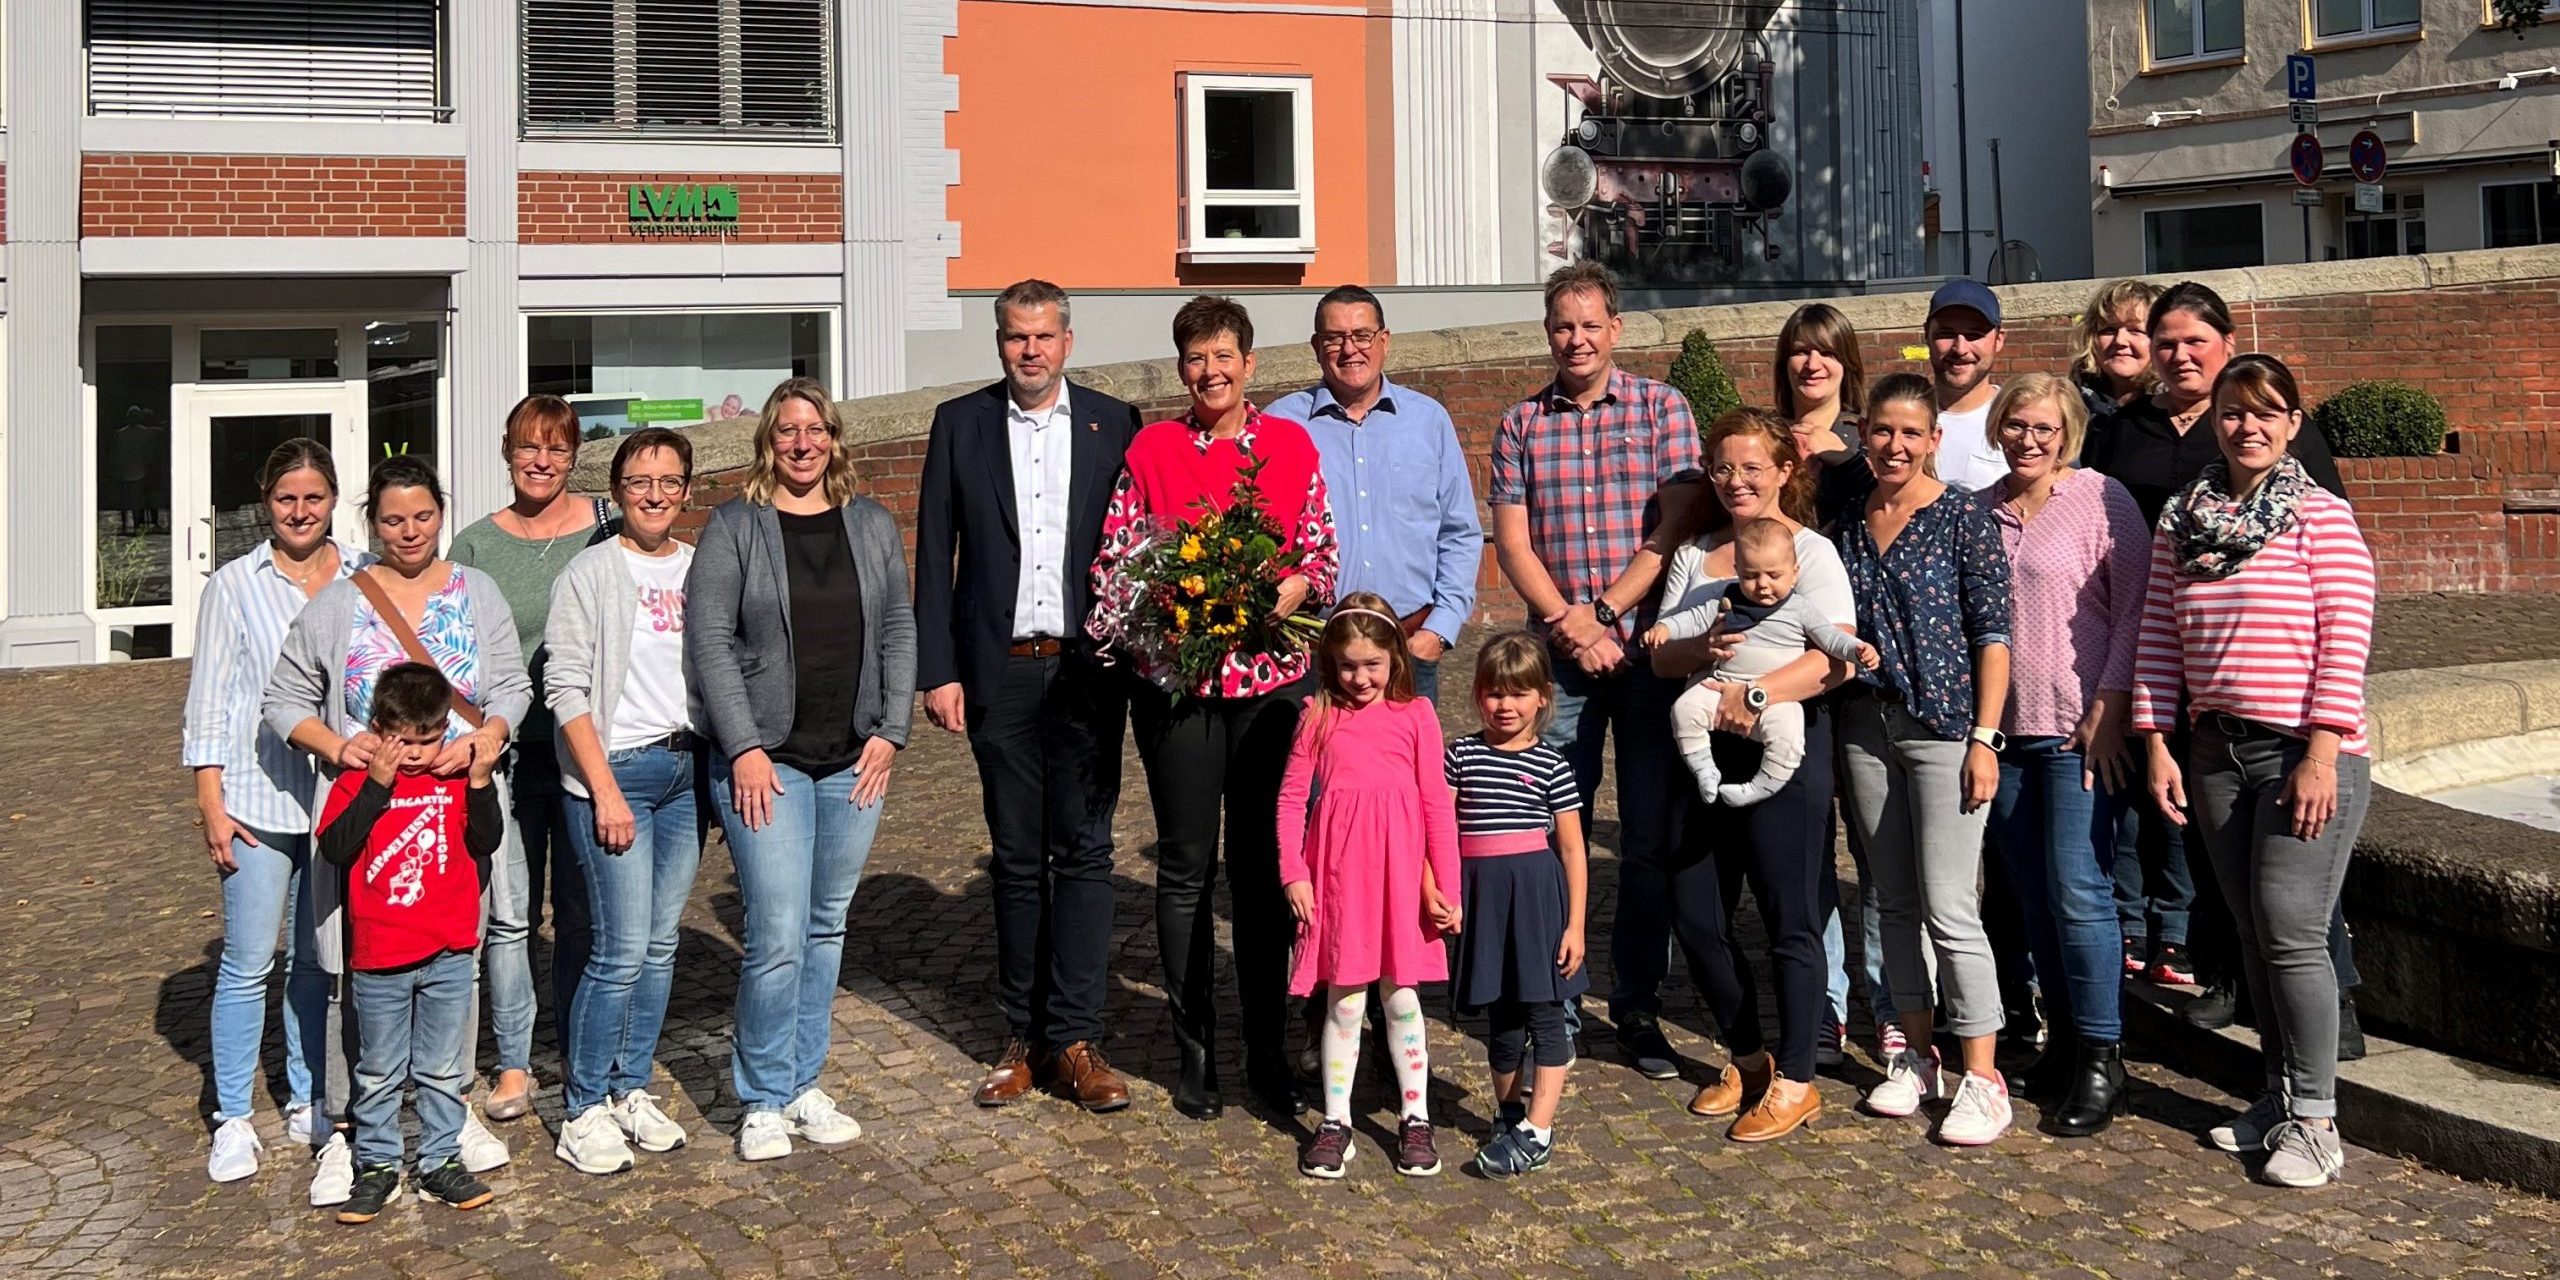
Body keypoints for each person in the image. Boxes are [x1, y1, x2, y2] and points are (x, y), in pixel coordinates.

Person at [2081, 281, 2360, 1044]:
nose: (2176, 354)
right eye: (2164, 341)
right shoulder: (2124, 427)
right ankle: (2220, 972)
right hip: (2168, 648)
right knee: (2193, 831)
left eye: (2193, 341)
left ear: (2226, 344)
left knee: (2289, 860)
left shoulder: (2263, 423)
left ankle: (2331, 1004)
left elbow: (2337, 567)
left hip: (2272, 671)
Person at [1086, 294, 1341, 1121]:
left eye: (1224, 354)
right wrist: (1153, 622)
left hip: (1270, 689)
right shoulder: (1153, 449)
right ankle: (1194, 1048)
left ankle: (1264, 1047)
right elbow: (1117, 564)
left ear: (1251, 362)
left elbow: (1321, 551)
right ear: (1182, 368)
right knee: (1187, 870)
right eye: (1196, 358)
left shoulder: (1292, 447)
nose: (1211, 370)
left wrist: (1300, 581)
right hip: (1181, 692)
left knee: (1265, 875)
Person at [2134, 354, 2377, 1189]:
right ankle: (2276, 1097)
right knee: (2251, 937)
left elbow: (2346, 639)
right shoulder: (2183, 518)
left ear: (2293, 423)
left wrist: (2322, 753)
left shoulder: (2320, 517)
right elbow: (2160, 636)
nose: (2249, 427)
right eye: (2235, 412)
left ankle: (2317, 1119)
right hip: (2213, 752)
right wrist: (2157, 739)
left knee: (2292, 931)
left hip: (2301, 751)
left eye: (2268, 413)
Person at [265, 454, 532, 1195]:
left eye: (422, 515)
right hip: (368, 819)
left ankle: (448, 1119)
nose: (409, 531)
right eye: (392, 518)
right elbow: (284, 700)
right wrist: (337, 744)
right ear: (371, 524)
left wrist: (488, 738)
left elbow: (511, 684)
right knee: (355, 969)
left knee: (459, 955)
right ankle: (355, 1132)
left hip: (458, 806)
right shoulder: (339, 603)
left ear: (440, 515)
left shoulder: (475, 591)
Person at [914, 280, 1144, 1112]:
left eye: (1044, 337)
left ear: (1069, 342)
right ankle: (1022, 1038)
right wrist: (937, 671)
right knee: (1016, 857)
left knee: (1083, 852)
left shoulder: (1115, 425)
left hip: (1088, 667)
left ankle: (1077, 1039)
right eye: (1016, 337)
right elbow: (934, 553)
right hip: (998, 668)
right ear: (1000, 341)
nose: (1031, 351)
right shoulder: (960, 424)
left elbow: (1137, 547)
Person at [689, 378, 916, 1162]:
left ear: (834, 439)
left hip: (854, 757)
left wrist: (892, 728)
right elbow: (711, 641)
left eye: (814, 430)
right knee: (779, 931)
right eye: (787, 430)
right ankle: (759, 1096)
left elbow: (897, 626)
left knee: (826, 926)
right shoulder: (734, 527)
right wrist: (743, 746)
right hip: (768, 763)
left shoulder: (872, 524)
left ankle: (800, 1081)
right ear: (767, 442)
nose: (801, 443)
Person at [1487, 261, 1703, 1080]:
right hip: (1562, 663)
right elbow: (1513, 542)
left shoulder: (1662, 408)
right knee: (1552, 834)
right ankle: (1560, 997)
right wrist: (1570, 627)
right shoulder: (1520, 425)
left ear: (1616, 328)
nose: (1575, 339)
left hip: (1650, 650)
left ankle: (1639, 1005)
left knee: (1646, 838)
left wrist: (1606, 614)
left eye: (1588, 324)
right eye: (1561, 326)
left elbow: (1677, 526)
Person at [1647, 412, 1856, 1143]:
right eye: (1723, 468)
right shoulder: (1696, 555)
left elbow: (1833, 657)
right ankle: (1749, 1058)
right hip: (1703, 746)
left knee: (1788, 918)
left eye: (1752, 468)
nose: (1737, 481)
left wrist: (1756, 695)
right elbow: (1662, 658)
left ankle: (1799, 1080)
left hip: (1785, 748)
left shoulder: (1814, 553)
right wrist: (1701, 646)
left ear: (1784, 472)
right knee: (1696, 913)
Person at [1831, 373, 2016, 1146]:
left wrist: (1984, 737)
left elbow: (1994, 635)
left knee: (1949, 905)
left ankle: (1984, 1075)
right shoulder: (1847, 520)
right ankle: (1917, 1055)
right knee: (1894, 900)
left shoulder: (1964, 519)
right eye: (1882, 431)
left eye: (1911, 432)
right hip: (1865, 727)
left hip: (1944, 729)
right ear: (1863, 435)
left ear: (1935, 439)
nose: (1895, 445)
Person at [187, 438, 367, 1187]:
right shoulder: (233, 585)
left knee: (318, 966)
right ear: (267, 502)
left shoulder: (363, 573)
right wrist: (210, 802)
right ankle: (232, 1116)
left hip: (334, 800)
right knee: (248, 961)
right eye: (287, 498)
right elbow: (210, 699)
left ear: (332, 501)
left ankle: (307, 1094)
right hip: (258, 800)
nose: (301, 511)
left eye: (314, 497)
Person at [1975, 374, 2149, 1137]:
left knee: (2080, 889)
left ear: (2068, 431)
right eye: (2016, 425)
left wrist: (2112, 710)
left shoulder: (2103, 500)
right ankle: (2069, 1041)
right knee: (2035, 894)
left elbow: (2140, 608)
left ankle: (2108, 1058)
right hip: (2007, 736)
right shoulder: (1983, 511)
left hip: (2080, 729)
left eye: (2044, 427)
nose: (2029, 440)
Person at [544, 428, 711, 1175]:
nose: (654, 494)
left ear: (685, 490)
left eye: (669, 481)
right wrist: (603, 788)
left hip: (684, 774)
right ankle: (582, 1105)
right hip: (614, 776)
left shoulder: (700, 568)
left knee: (660, 944)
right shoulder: (589, 573)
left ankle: (628, 1087)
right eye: (640, 481)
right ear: (617, 492)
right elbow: (566, 688)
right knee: (617, 948)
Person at [447, 394, 612, 1121]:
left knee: (580, 913)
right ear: (507, 452)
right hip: (505, 754)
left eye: (555, 448)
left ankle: (578, 1045)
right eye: (527, 447)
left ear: (574, 456)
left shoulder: (606, 530)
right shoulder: (476, 544)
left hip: (586, 749)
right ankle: (513, 1062)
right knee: (510, 918)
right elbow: (449, 648)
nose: (541, 462)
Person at [316, 662, 508, 1224]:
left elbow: (486, 840)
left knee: (443, 1066)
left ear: (447, 728)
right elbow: (334, 847)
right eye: (404, 741)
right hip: (380, 956)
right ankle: (375, 1164)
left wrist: (479, 782)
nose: (418, 754)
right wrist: (377, 783)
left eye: (430, 739)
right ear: (378, 728)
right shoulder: (357, 780)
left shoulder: (455, 776)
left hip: (449, 948)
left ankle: (439, 1160)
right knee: (377, 1069)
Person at [1277, 594, 1461, 1179]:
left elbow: (1437, 804)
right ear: (1330, 663)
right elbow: (1288, 801)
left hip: (1401, 878)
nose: (1360, 678)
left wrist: (1446, 886)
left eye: (1372, 665)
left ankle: (1416, 1116)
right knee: (1343, 1000)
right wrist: (1293, 873)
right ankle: (1336, 1121)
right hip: (1337, 879)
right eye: (1348, 666)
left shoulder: (1417, 716)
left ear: (1394, 659)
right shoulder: (1317, 715)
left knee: (1401, 997)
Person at [1266, 286, 1481, 702]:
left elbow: (1459, 533)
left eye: (1362, 335)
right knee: (1307, 769)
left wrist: (1440, 630)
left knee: (1404, 768)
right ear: (1316, 346)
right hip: (1314, 651)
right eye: (1334, 338)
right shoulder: (1282, 426)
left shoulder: (1427, 421)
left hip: (1407, 646)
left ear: (1384, 340)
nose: (1350, 350)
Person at [1771, 301, 1887, 1070]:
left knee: (1879, 850)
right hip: (1791, 668)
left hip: (1863, 668)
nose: (1812, 366)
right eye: (1799, 354)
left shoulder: (1870, 456)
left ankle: (1888, 998)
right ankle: (1829, 1003)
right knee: (1810, 849)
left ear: (1847, 364)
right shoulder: (1769, 447)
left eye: (1826, 354)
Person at [1446, 633, 1588, 1180]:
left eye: (1518, 694)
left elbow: (1572, 848)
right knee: (1501, 1021)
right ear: (1478, 695)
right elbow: (1440, 827)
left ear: (1542, 698)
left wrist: (1575, 923)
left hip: (1537, 901)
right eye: (1493, 694)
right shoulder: (1459, 755)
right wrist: (1441, 890)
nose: (1505, 706)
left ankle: (1539, 1130)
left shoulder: (1553, 765)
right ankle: (1507, 1116)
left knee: (1547, 1016)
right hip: (1484, 903)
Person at [1650, 517, 1877, 807]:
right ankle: (1704, 768)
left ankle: (1763, 785)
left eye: (1773, 575)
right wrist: (1666, 628)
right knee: (1684, 710)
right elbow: (1693, 618)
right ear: (1737, 572)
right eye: (1751, 576)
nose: (1762, 585)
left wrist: (1857, 649)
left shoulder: (1800, 608)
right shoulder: (1728, 599)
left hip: (1777, 697)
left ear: (1794, 573)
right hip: (1722, 685)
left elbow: (1830, 638)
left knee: (1787, 736)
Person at [1924, 280, 2014, 492]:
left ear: (1999, 340)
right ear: (1926, 335)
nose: (1960, 348)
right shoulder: (1902, 420)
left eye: (1974, 335)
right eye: (1946, 333)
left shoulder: (2018, 420)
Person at [2071, 279, 2162, 428]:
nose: (2120, 341)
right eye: (2109, 330)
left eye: (2135, 330)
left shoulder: (2176, 409)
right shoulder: (2067, 408)